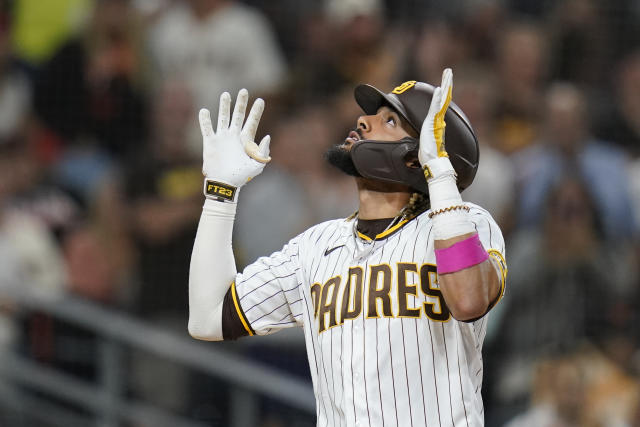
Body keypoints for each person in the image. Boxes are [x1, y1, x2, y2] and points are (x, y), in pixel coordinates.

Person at [188, 69, 507, 426]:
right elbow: (209, 317)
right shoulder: (314, 246)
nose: (362, 120)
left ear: (417, 156)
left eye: (389, 120)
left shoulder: (467, 224)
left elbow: (467, 301)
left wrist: (440, 174)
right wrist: (220, 194)